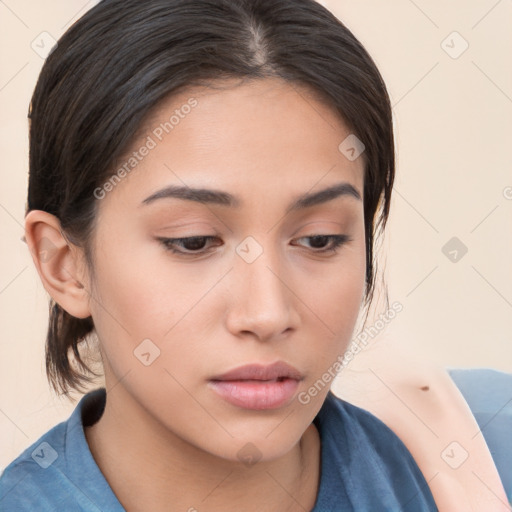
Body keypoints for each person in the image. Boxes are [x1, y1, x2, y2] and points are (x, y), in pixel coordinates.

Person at [0, 0, 508, 510]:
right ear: (63, 264)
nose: (267, 314)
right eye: (193, 241)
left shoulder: (484, 447)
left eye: (319, 239)